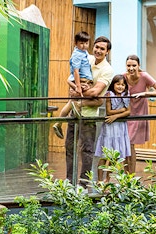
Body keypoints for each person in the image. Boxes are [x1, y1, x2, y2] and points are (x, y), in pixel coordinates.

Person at [65, 36, 114, 185]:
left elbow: (95, 93)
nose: (98, 50)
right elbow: (71, 79)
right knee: (69, 146)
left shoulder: (107, 70)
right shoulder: (86, 58)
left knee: (86, 150)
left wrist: (76, 93)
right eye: (97, 47)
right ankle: (69, 181)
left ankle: (83, 184)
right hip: (74, 111)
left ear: (107, 52)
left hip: (89, 115)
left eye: (102, 49)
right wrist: (78, 90)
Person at [124, 54, 156, 173]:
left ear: (139, 66)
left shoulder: (144, 76)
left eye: (134, 65)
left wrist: (145, 94)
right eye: (128, 66)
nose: (131, 68)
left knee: (130, 143)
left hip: (139, 112)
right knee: (126, 144)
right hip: (125, 112)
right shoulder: (123, 77)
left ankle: (130, 176)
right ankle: (126, 174)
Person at [53, 31, 93, 140]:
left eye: (86, 43)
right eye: (81, 43)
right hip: (81, 81)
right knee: (74, 104)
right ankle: (59, 123)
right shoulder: (77, 54)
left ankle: (58, 123)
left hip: (82, 81)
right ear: (75, 43)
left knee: (71, 103)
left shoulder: (83, 53)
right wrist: (78, 86)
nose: (84, 45)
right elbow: (75, 71)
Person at [94, 74, 131, 181]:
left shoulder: (126, 95)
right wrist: (121, 111)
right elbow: (109, 111)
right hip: (110, 127)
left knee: (114, 155)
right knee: (105, 154)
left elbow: (128, 111)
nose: (120, 87)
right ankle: (100, 180)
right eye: (118, 84)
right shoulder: (109, 94)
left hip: (120, 127)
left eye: (123, 85)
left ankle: (107, 180)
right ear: (113, 85)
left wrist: (116, 116)